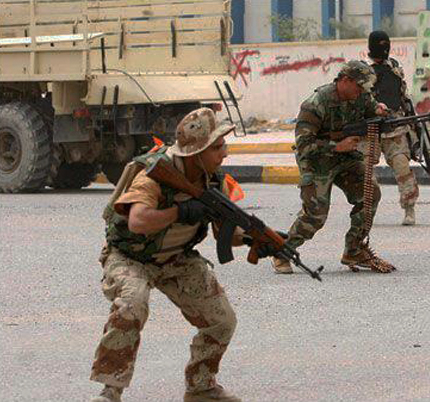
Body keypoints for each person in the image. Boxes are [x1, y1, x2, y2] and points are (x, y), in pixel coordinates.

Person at [90, 108, 246, 402]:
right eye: (217, 147)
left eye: (223, 145)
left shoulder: (214, 181)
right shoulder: (154, 174)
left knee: (222, 319)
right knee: (132, 305)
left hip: (176, 259)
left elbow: (228, 235)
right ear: (196, 152)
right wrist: (180, 212)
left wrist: (254, 240)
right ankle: (110, 391)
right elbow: (137, 221)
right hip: (130, 257)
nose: (224, 153)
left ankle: (201, 387)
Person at [271, 60, 397, 274]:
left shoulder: (361, 96)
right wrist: (336, 146)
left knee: (369, 194)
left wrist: (380, 111)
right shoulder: (315, 104)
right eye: (359, 86)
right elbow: (304, 145)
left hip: (345, 157)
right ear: (345, 80)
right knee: (316, 214)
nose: (362, 92)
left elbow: (372, 110)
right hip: (316, 161)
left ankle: (354, 250)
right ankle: (282, 252)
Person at [365, 30, 420, 225]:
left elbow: (403, 96)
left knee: (402, 167)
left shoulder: (394, 68)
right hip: (369, 130)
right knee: (365, 174)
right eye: (380, 45)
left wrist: (412, 123)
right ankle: (366, 211)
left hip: (395, 126)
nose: (384, 50)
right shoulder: (362, 71)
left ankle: (409, 208)